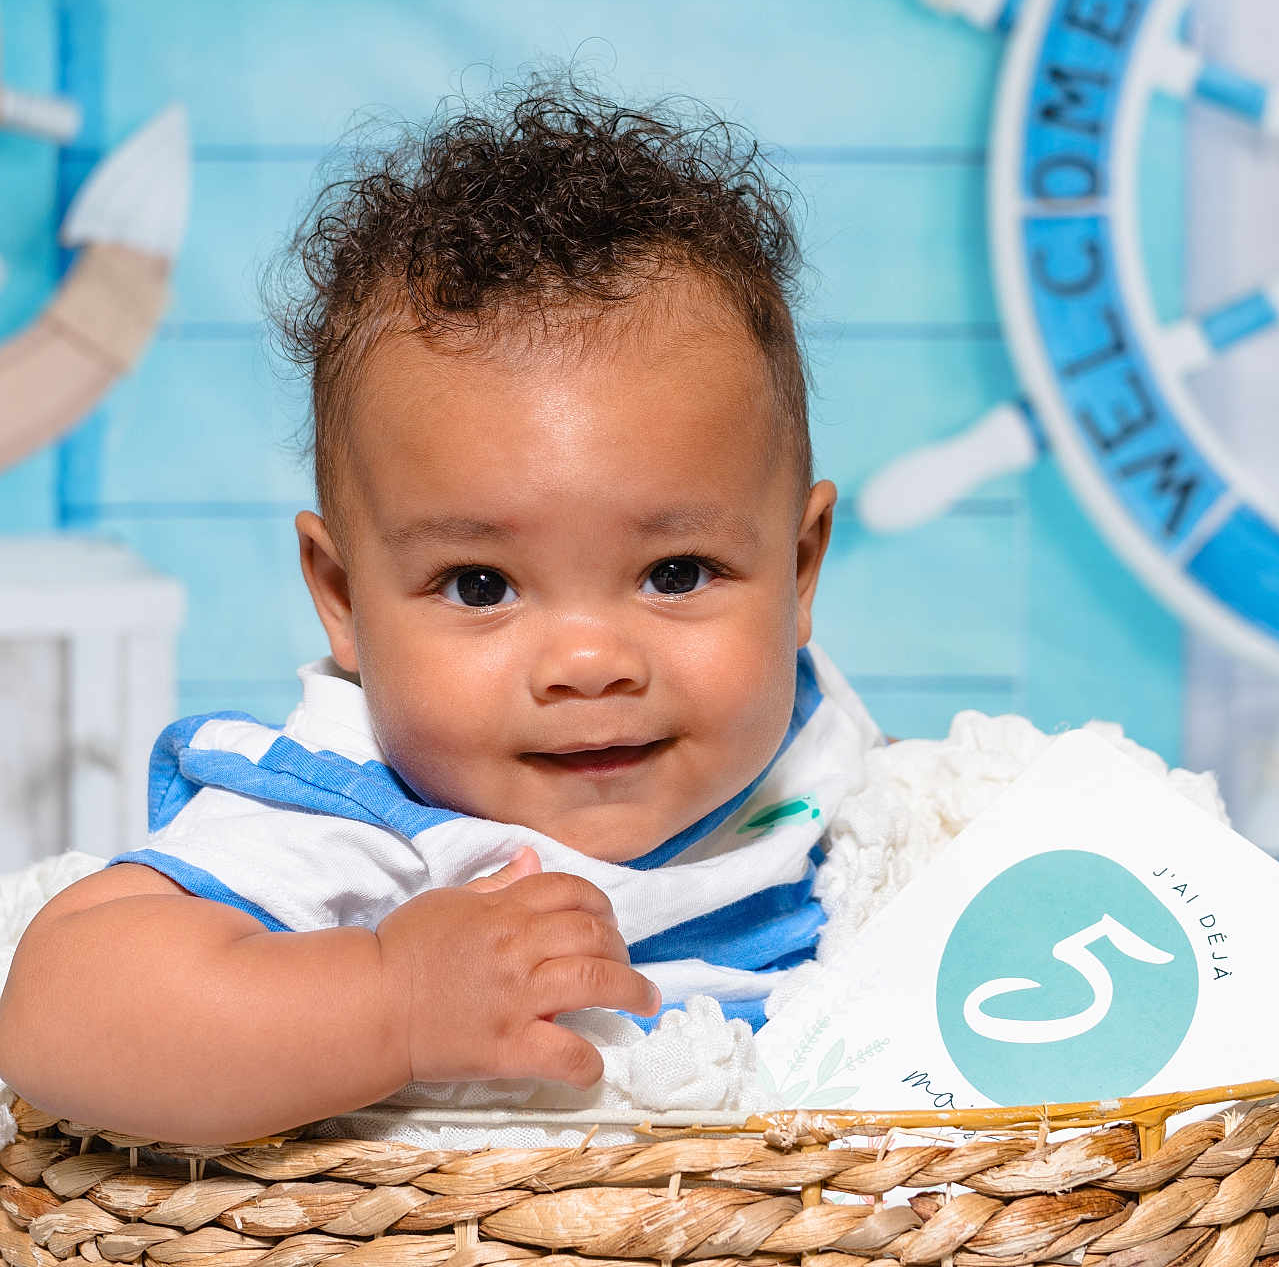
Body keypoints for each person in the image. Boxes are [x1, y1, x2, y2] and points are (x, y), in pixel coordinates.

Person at [0, 76, 880, 1144]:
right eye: (481, 586)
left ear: (797, 570)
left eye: (677, 572)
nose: (590, 660)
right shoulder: (361, 824)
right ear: (341, 598)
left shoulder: (807, 756)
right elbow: (59, 1018)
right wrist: (390, 997)